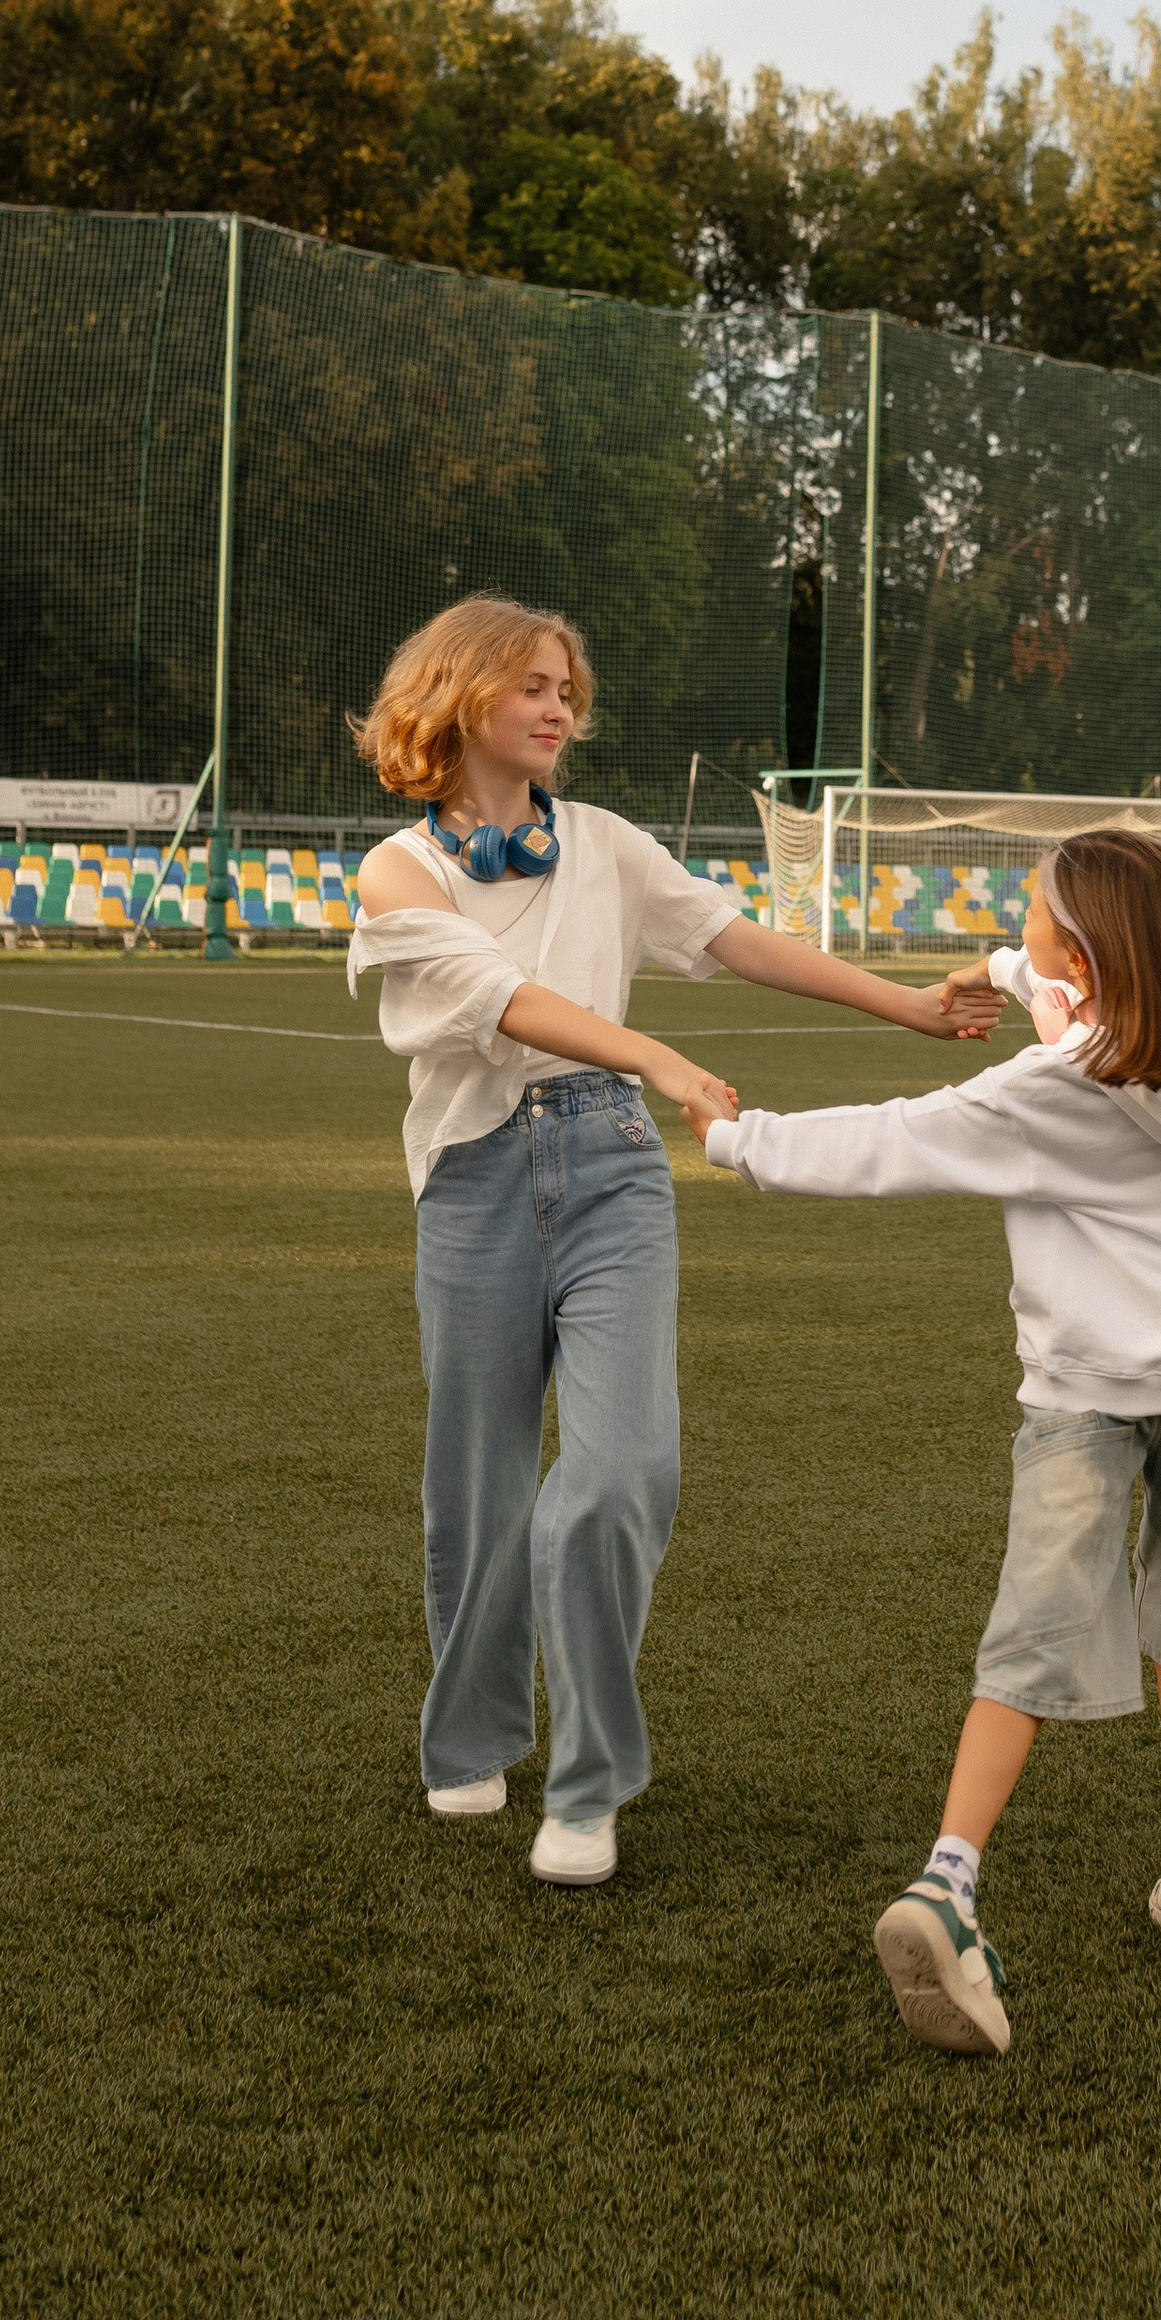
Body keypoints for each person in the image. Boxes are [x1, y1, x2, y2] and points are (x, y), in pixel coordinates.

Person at [347, 595, 999, 1888]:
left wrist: (908, 1007)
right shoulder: (397, 872)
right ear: (462, 693)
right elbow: (500, 1004)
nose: (557, 709)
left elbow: (727, 934)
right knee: (476, 1490)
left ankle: (589, 1788)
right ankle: (472, 1733)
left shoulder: (603, 841)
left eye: (567, 692)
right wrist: (651, 1049)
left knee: (623, 1471)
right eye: (532, 685)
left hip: (613, 1176)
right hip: (476, 1187)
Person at [688, 828, 1161, 2056]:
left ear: (1096, 956)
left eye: (1040, 921)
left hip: (1082, 1389)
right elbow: (1085, 1024)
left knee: (1035, 1624)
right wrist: (1012, 971)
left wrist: (732, 1135)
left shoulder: (1046, 1098)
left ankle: (948, 1880)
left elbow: (894, 1142)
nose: (1030, 933)